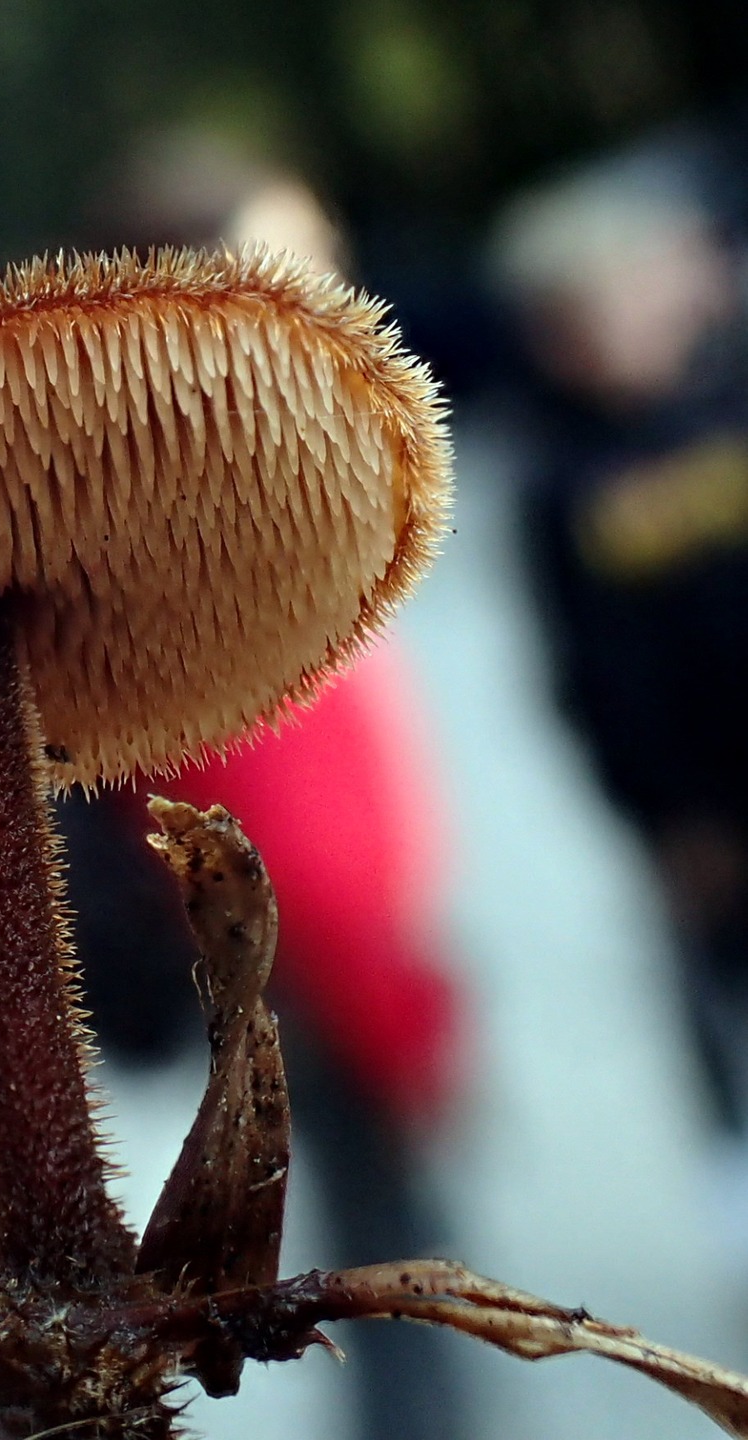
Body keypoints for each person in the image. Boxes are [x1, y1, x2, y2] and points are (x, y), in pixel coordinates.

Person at [63, 129, 473, 1440]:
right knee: (402, 1293)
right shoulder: (217, 515)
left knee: (369, 1277)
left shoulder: (184, 489)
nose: (335, 285)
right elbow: (281, 822)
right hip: (320, 978)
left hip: (301, 969)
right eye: (296, 260)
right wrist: (396, 999)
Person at [494, 145, 748, 1140]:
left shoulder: (723, 408)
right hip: (692, 807)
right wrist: (656, 814)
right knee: (716, 1001)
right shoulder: (563, 476)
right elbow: (586, 675)